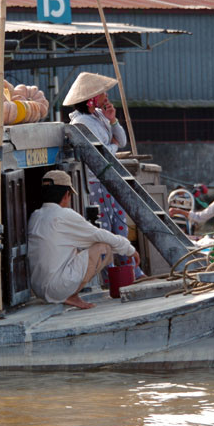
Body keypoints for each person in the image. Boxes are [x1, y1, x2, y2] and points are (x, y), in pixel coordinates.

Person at [64, 71, 144, 280]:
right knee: (104, 229)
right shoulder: (82, 123)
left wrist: (113, 121)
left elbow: (121, 141)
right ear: (91, 98)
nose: (106, 96)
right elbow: (104, 151)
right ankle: (108, 277)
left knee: (119, 226)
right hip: (94, 183)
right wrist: (113, 146)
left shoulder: (98, 116)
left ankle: (130, 272)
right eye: (101, 93)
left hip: (107, 180)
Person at [28, 170, 141, 310]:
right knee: (103, 246)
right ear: (66, 195)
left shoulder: (36, 215)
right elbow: (100, 235)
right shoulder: (64, 215)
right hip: (56, 288)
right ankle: (71, 295)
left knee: (79, 246)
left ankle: (68, 293)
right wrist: (130, 250)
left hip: (39, 290)